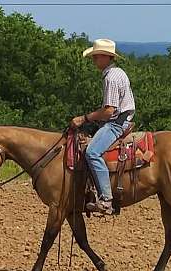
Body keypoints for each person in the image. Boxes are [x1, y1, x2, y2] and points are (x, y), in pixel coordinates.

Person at [70, 38, 135, 215]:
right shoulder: (118, 72)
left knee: (92, 152)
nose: (94, 60)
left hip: (116, 123)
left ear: (106, 57)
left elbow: (108, 111)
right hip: (122, 119)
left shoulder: (111, 78)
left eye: (96, 56)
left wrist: (84, 118)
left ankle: (106, 199)